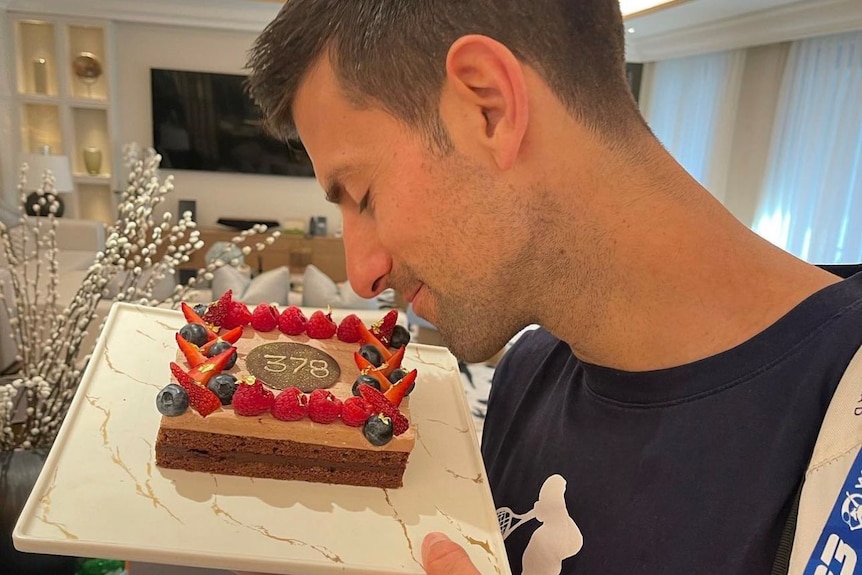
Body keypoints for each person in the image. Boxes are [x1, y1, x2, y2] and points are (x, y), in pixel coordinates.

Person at [245, 1, 862, 573]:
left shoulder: (843, 430)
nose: (362, 273)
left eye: (363, 195)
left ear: (489, 107)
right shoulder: (527, 373)